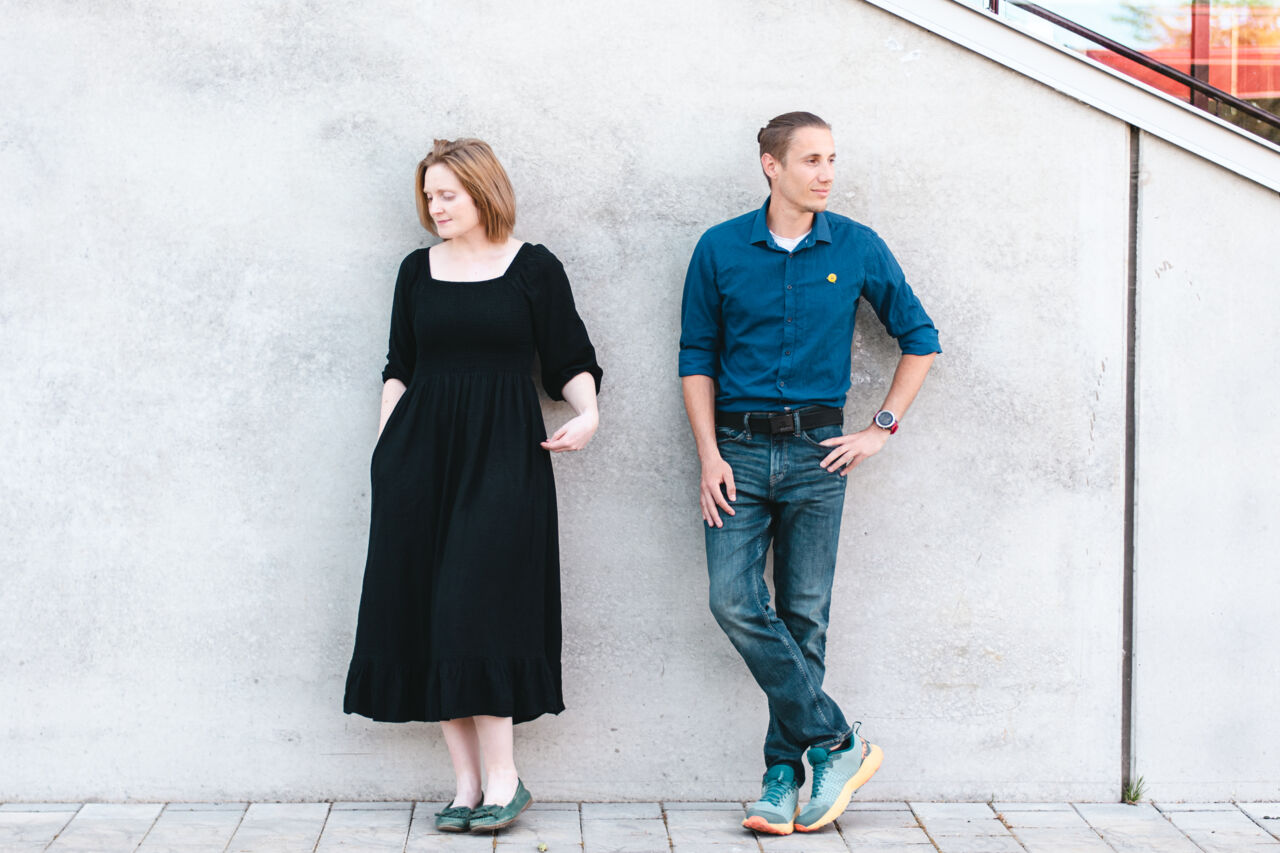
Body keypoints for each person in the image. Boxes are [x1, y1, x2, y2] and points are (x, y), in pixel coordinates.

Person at [678, 112, 940, 836]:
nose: (827, 172)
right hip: (737, 449)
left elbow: (920, 339)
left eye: (832, 158)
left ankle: (780, 778)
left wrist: (879, 429)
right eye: (812, 159)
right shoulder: (721, 247)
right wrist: (708, 453)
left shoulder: (856, 245)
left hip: (821, 456)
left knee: (803, 617)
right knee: (732, 599)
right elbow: (695, 355)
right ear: (771, 164)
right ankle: (837, 741)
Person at [344, 138, 602, 835]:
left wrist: (589, 412)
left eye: (447, 194)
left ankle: (504, 777)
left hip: (502, 458)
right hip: (416, 460)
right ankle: (464, 786)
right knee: (430, 615)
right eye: (429, 196)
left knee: (475, 607)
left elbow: (570, 357)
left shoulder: (533, 269)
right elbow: (400, 365)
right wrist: (383, 452)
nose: (435, 207)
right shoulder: (416, 271)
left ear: (483, 190)